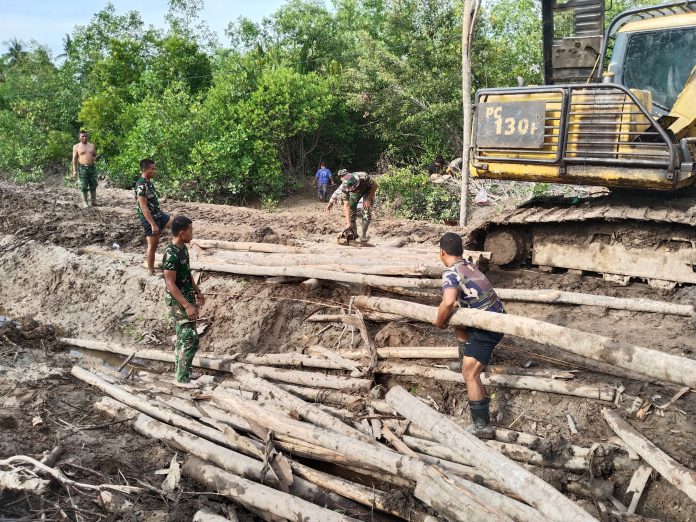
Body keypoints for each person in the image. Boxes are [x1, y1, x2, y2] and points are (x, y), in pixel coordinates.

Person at [433, 232, 505, 437]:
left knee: (470, 375)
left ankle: (482, 426)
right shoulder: (469, 266)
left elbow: (448, 302)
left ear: (442, 252)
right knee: (457, 320)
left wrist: (439, 322)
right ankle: (466, 358)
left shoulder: (451, 273)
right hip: (495, 317)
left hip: (487, 328)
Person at [162, 215, 205, 387]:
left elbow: (186, 273)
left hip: (186, 296)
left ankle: (183, 372)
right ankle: (182, 379)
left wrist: (197, 291)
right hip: (178, 301)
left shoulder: (183, 249)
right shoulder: (170, 254)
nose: (192, 234)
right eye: (190, 230)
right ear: (182, 233)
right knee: (189, 339)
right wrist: (186, 305)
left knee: (183, 338)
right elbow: (170, 284)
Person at [135, 159, 172, 275]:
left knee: (178, 224)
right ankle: (150, 270)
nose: (155, 171)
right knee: (153, 246)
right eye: (152, 169)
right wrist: (153, 224)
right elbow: (143, 207)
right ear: (144, 170)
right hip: (149, 218)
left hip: (158, 214)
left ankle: (175, 254)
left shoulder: (149, 182)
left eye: (155, 168)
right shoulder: (141, 185)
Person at [326, 169, 378, 243]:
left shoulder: (363, 176)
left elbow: (375, 185)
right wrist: (348, 223)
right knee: (351, 211)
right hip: (355, 193)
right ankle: (354, 233)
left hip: (367, 190)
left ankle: (363, 235)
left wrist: (368, 199)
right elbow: (346, 205)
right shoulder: (344, 187)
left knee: (366, 211)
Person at [72, 131, 98, 208]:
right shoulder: (76, 147)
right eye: (82, 136)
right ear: (79, 138)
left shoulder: (92, 146)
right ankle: (85, 202)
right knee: (83, 185)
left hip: (92, 167)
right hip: (82, 167)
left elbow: (94, 155)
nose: (84, 138)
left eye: (86, 136)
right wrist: (74, 170)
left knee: (93, 184)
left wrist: (96, 158)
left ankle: (94, 201)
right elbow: (74, 159)